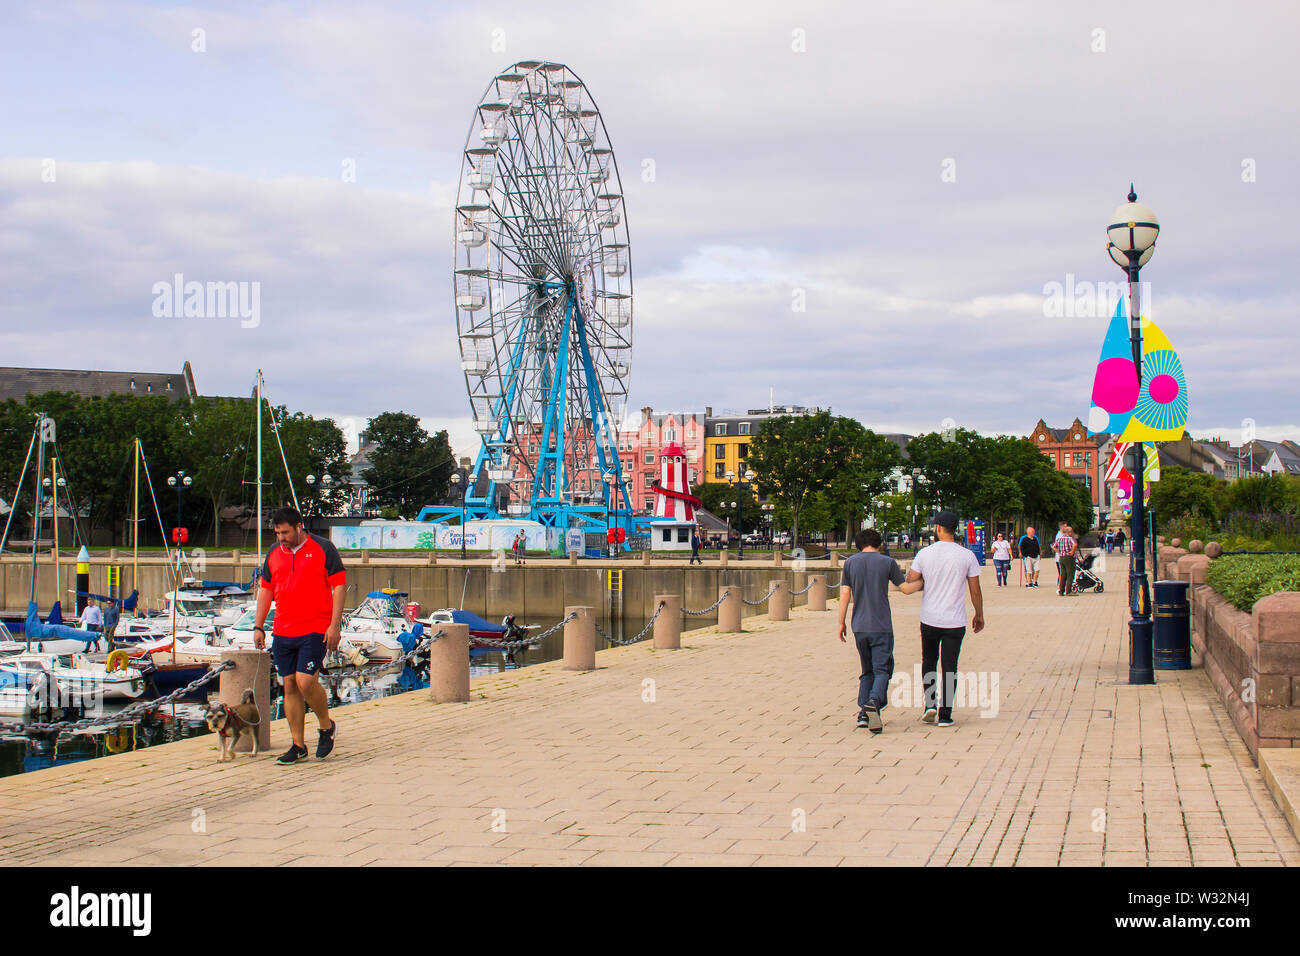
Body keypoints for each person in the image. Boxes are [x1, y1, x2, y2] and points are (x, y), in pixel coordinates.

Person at [254, 506, 346, 765]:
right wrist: (258, 626)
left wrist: (334, 625)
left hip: (315, 627)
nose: (281, 538)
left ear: (298, 526)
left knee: (306, 681)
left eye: (285, 532)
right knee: (289, 685)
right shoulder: (273, 553)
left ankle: (326, 726)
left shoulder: (323, 548)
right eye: (277, 533)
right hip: (284, 629)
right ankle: (298, 745)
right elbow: (265, 590)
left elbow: (339, 586)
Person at [898, 510, 984, 728]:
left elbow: (911, 579)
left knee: (929, 661)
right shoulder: (966, 555)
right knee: (950, 666)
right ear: (955, 530)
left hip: (930, 618)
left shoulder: (926, 554)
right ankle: (945, 715)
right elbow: (975, 590)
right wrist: (979, 614)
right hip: (955, 620)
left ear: (937, 528)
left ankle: (929, 705)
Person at [836, 528, 906, 734]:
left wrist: (841, 623)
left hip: (859, 625)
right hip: (881, 625)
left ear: (858, 544)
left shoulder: (850, 563)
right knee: (882, 670)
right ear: (879, 543)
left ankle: (863, 715)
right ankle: (873, 702)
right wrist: (923, 582)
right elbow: (905, 587)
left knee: (867, 670)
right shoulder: (887, 562)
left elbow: (845, 594)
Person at [1054, 523, 1077, 596]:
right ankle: (1068, 591)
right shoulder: (1070, 538)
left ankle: (1061, 590)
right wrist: (1072, 551)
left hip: (1061, 558)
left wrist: (1059, 551)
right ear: (1069, 532)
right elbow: (1075, 544)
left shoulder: (1059, 539)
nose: (1072, 533)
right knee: (1070, 574)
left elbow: (1054, 546)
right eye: (1071, 532)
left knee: (1063, 574)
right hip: (1069, 558)